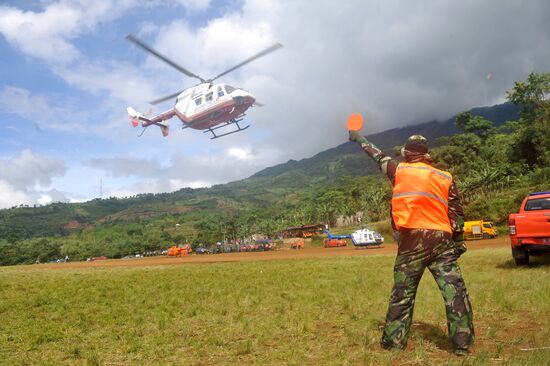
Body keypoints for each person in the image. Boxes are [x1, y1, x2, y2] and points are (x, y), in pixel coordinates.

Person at [348, 132, 474, 356]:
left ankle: (394, 343)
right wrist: (459, 241)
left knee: (403, 294)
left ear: (406, 152)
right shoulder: (445, 176)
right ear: (427, 154)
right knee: (455, 292)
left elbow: (377, 155)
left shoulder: (398, 170)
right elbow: (456, 212)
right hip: (441, 240)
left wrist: (358, 138)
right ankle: (462, 344)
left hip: (411, 240)